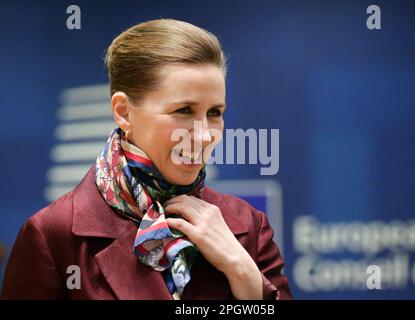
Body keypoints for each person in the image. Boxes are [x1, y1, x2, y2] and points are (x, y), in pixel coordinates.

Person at [1, 19, 292, 300]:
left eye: (215, 113)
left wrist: (244, 274)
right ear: (124, 112)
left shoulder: (248, 226)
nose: (205, 135)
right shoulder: (55, 235)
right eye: (184, 110)